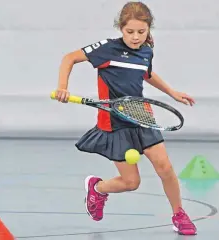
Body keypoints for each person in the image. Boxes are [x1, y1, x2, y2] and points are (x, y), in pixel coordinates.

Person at [55, 1, 197, 236]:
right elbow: (69, 58)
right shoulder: (106, 49)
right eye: (130, 32)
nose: (135, 37)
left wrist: (172, 92)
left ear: (148, 29)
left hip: (140, 114)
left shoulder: (146, 50)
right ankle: (98, 188)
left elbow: (146, 74)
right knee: (131, 183)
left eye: (141, 32)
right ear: (121, 29)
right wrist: (62, 87)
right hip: (114, 120)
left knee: (165, 167)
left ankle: (179, 213)